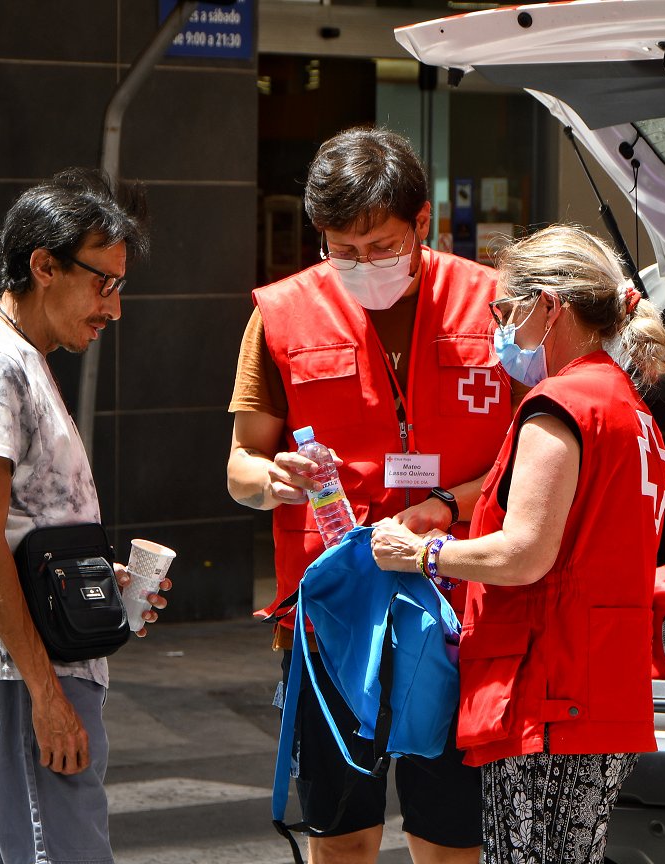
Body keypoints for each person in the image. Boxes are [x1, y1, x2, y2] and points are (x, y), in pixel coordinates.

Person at [227, 127, 516, 864]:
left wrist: (449, 504)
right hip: (333, 618)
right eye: (341, 249)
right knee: (343, 837)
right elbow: (241, 465)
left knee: (451, 840)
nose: (361, 265)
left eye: (381, 246)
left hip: (460, 613)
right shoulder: (281, 314)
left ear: (424, 222)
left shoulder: (498, 307)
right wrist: (273, 478)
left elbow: (537, 460)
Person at [370, 224, 665, 864]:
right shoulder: (628, 406)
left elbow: (523, 554)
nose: (499, 328)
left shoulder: (561, 404)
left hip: (550, 688)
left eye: (505, 311)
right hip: (599, 682)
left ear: (550, 306)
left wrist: (419, 552)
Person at [0, 168, 169, 864]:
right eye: (104, 283)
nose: (113, 308)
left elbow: (21, 530)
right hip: (26, 667)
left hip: (34, 659)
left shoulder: (11, 356)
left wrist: (95, 579)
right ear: (44, 266)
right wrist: (46, 694)